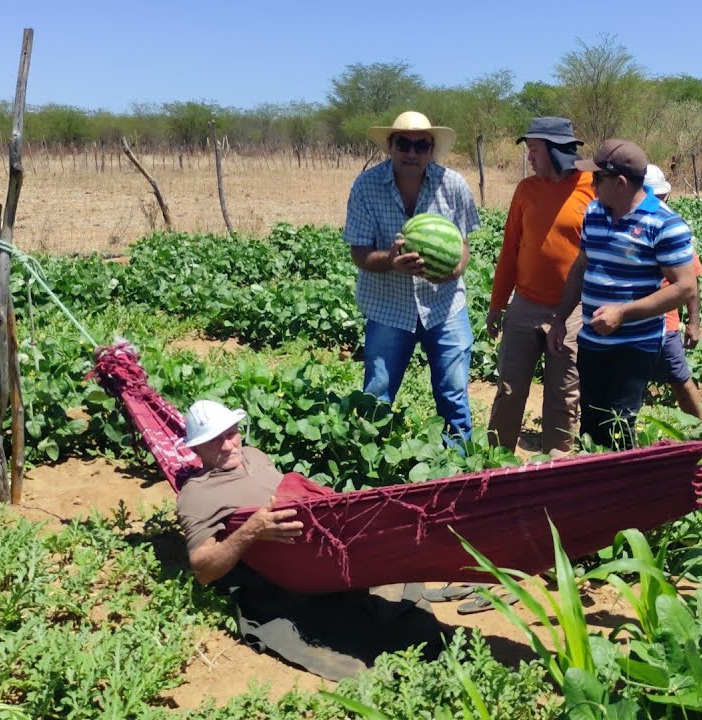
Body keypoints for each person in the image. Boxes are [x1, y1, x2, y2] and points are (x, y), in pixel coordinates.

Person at [175, 399, 444, 680]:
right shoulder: (196, 495)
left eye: (231, 434)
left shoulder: (254, 455)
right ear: (196, 449)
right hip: (291, 579)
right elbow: (203, 569)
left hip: (329, 545)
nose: (228, 445)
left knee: (397, 539)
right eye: (214, 441)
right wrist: (251, 531)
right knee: (368, 630)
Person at [548, 140, 698, 450]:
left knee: (619, 423)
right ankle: (595, 475)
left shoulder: (665, 224)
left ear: (620, 182)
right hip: (592, 339)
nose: (591, 185)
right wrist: (560, 318)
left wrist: (623, 313)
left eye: (597, 178)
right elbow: (580, 267)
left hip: (635, 344)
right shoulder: (593, 212)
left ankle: (622, 478)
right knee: (591, 422)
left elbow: (685, 287)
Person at [343, 111, 480, 443]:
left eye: (421, 146)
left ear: (431, 149)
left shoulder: (453, 185)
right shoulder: (366, 186)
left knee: (454, 396)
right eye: (404, 143)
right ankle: (374, 460)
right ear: (391, 145)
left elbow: (463, 246)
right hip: (388, 306)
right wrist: (390, 261)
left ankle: (458, 464)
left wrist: (453, 271)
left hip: (444, 306)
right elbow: (359, 252)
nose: (412, 152)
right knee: (377, 395)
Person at [486, 117, 597, 456]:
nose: (530, 157)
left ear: (555, 150)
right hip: (525, 304)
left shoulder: (592, 186)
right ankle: (496, 461)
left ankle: (557, 465)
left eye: (534, 150)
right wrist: (497, 303)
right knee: (509, 387)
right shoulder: (526, 190)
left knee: (564, 393)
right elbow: (510, 249)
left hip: (573, 309)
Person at [643, 164, 702, 422]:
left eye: (660, 197)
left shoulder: (671, 228)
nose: (658, 203)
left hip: (664, 321)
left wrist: (693, 323)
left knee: (679, 378)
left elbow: (692, 283)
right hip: (627, 320)